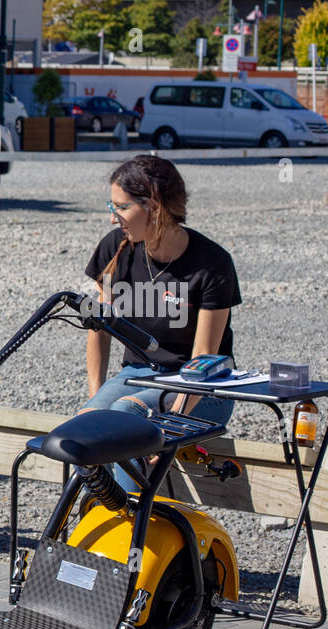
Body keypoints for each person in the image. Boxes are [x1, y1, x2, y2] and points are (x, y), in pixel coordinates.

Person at [81, 155, 242, 489]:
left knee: (127, 418)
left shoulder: (211, 264)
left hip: (204, 386)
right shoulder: (116, 248)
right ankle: (98, 523)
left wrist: (174, 423)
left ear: (153, 206)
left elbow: (204, 356)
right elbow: (100, 328)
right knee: (83, 430)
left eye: (121, 207)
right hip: (137, 376)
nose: (113, 217)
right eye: (111, 205)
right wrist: (95, 399)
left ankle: (134, 531)